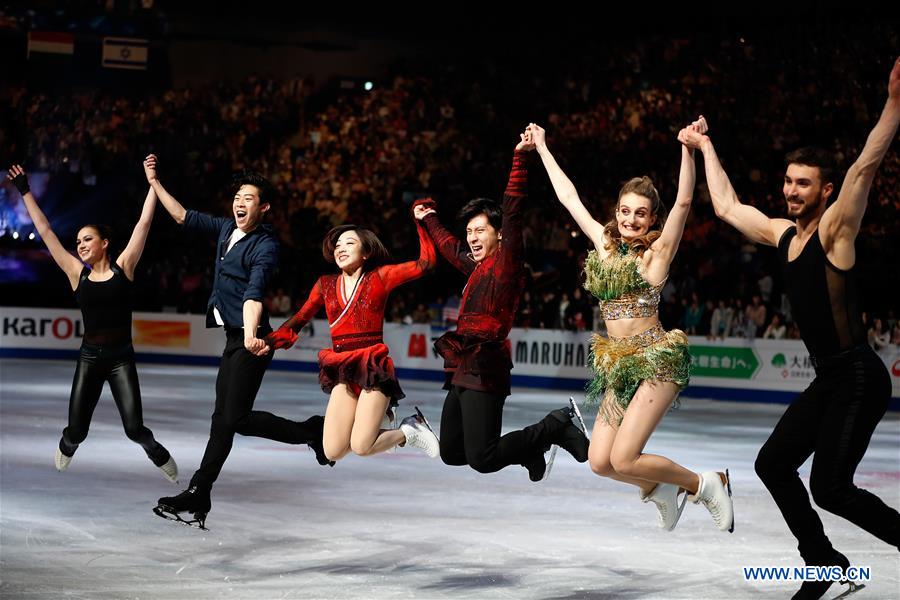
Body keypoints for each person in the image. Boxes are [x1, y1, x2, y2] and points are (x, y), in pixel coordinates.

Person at [679, 56, 900, 600]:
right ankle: (824, 563)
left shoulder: (835, 232)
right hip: (830, 379)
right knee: (773, 464)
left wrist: (895, 101)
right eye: (788, 181)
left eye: (803, 183)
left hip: (859, 377)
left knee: (830, 487)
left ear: (825, 191)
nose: (791, 190)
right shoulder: (783, 235)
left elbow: (864, 168)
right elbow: (727, 206)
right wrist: (704, 146)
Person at [530, 121, 734, 534]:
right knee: (600, 461)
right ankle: (658, 488)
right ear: (617, 212)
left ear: (652, 218)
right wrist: (543, 148)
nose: (630, 219)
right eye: (625, 211)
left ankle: (706, 484)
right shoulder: (604, 246)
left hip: (657, 361)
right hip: (620, 365)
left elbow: (684, 202)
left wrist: (687, 149)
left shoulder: (658, 253)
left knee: (624, 458)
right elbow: (569, 198)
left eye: (641, 213)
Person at [142, 154, 328, 530]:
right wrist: (154, 183)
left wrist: (250, 334)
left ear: (264, 207)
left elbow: (254, 293)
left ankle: (313, 431)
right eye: (237, 197)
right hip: (235, 338)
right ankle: (200, 491)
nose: (240, 203)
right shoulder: (228, 229)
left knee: (235, 419)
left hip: (252, 338)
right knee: (222, 421)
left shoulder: (265, 246)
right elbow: (182, 216)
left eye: (249, 198)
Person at [415, 129, 589, 482]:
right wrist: (429, 216)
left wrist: (520, 157)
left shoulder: (506, 264)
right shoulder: (477, 267)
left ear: (499, 234)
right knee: (452, 453)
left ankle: (555, 425)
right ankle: (529, 451)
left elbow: (513, 209)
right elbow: (449, 247)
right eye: (470, 232)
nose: (472, 238)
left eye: (480, 230)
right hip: (463, 363)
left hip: (486, 366)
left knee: (483, 458)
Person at [6, 164, 177, 482]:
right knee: (76, 432)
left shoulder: (124, 267)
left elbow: (143, 223)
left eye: (87, 239)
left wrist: (153, 182)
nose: (81, 245)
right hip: (89, 359)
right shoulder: (76, 273)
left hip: (121, 359)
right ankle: (66, 445)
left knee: (134, 429)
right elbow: (46, 232)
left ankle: (157, 453)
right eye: (78, 241)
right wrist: (25, 191)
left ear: (105, 243)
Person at [266, 218, 440, 462]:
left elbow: (425, 263)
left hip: (372, 369)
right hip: (342, 370)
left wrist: (421, 222)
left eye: (349, 243)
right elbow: (300, 318)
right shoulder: (325, 284)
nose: (341, 248)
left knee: (361, 446)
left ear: (366, 252)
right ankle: (385, 424)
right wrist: (270, 341)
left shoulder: (380, 277)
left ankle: (410, 429)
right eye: (338, 245)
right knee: (332, 451)